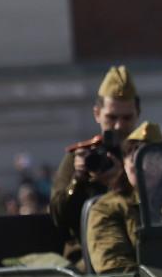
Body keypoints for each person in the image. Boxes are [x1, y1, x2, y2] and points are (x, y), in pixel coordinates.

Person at [51, 65, 142, 262]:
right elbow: (58, 216)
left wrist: (122, 181)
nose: (119, 125)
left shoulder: (146, 156)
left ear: (138, 114)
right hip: (89, 254)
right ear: (97, 114)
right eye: (111, 117)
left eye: (127, 117)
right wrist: (79, 179)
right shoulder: (81, 156)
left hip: (143, 248)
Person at [85, 121, 162, 273]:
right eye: (135, 158)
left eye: (155, 157)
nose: (145, 167)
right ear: (124, 163)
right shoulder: (106, 209)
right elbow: (114, 267)